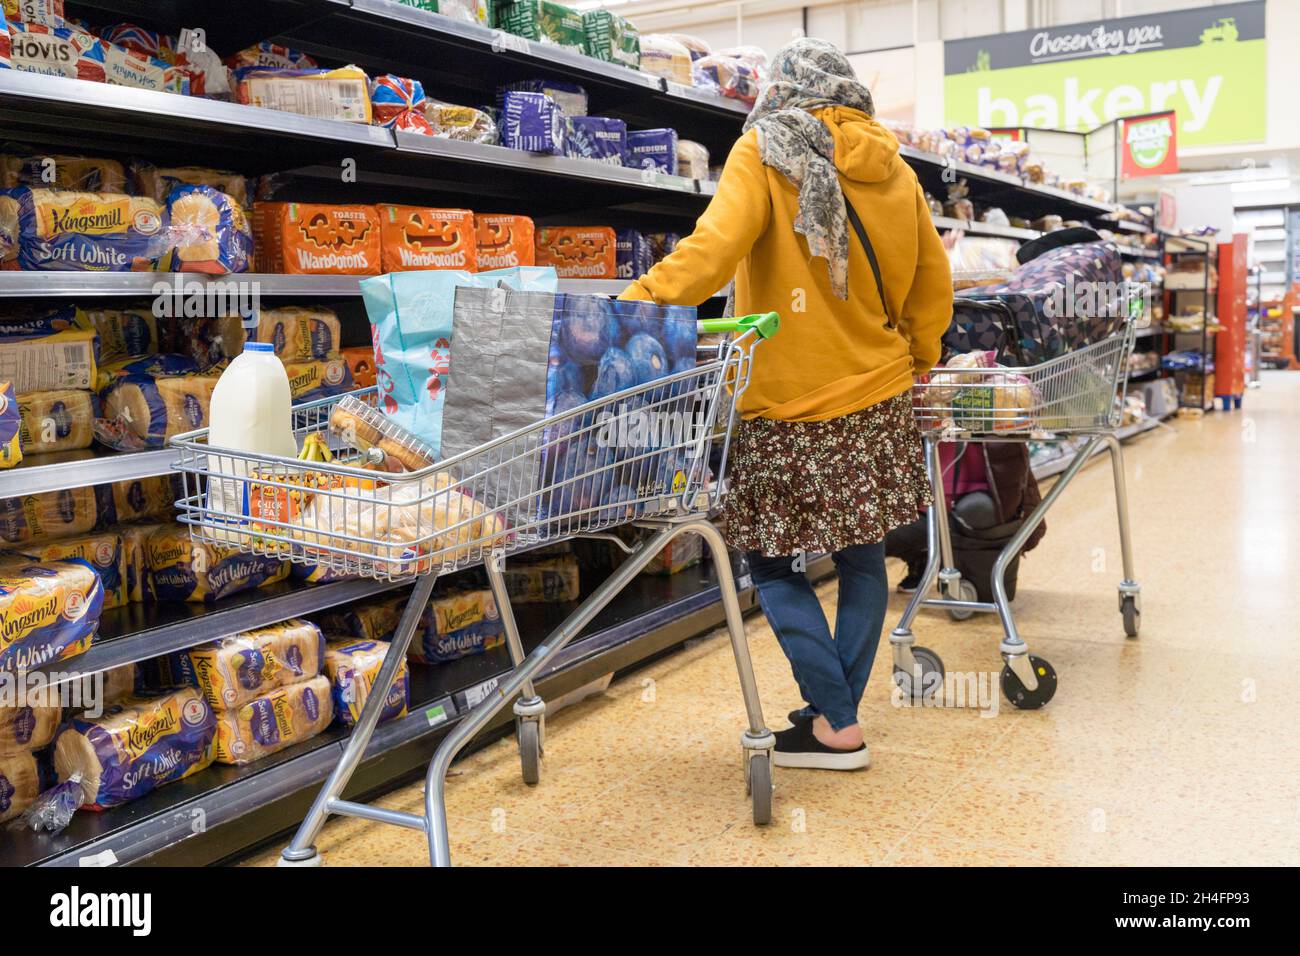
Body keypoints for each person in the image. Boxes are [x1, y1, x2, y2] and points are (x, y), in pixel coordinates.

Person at [619, 37, 952, 770]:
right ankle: (837, 717)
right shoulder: (895, 168)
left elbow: (710, 253)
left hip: (789, 404)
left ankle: (836, 721)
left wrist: (631, 307)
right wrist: (916, 360)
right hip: (881, 393)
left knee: (772, 565)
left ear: (782, 88)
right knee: (863, 561)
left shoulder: (764, 150)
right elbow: (934, 286)